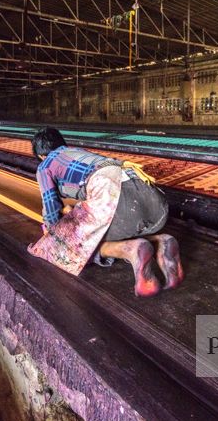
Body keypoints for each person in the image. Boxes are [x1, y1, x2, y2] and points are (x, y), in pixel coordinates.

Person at [27, 127, 183, 297]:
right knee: (106, 225)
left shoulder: (45, 165)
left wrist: (53, 237)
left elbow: (51, 207)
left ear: (41, 155)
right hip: (157, 206)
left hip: (121, 205)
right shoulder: (79, 152)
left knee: (73, 242)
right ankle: (160, 242)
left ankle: (132, 249)